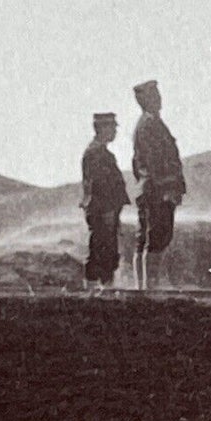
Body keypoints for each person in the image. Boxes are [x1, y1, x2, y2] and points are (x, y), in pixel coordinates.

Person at [131, 80, 186, 291]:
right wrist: (168, 188)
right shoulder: (148, 126)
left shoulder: (150, 124)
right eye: (154, 96)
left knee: (149, 237)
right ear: (145, 101)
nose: (159, 99)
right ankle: (148, 288)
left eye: (158, 95)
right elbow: (155, 162)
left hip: (151, 188)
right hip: (157, 190)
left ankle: (144, 288)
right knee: (157, 237)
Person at [82, 112, 130, 291]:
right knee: (102, 250)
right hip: (103, 210)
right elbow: (99, 185)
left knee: (104, 249)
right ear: (101, 128)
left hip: (105, 210)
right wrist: (108, 210)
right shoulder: (96, 153)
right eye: (111, 127)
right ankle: (98, 290)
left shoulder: (99, 152)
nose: (115, 131)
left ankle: (101, 289)